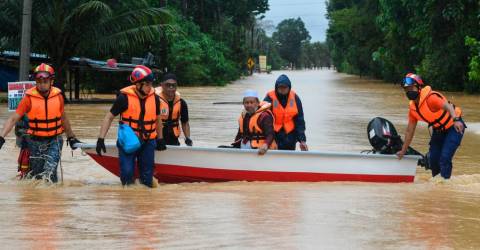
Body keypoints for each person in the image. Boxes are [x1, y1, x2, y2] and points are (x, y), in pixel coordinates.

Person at [0, 63, 81, 182]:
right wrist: (1, 137)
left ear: (51, 81)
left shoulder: (58, 96)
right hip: (34, 141)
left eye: (45, 81)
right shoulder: (28, 98)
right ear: (35, 81)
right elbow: (13, 119)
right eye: (38, 80)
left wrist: (71, 137)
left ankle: (51, 198)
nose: (42, 84)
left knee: (49, 172)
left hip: (55, 141)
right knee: (37, 177)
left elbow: (63, 118)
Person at [96, 65, 167, 188]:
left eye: (151, 84)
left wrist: (160, 139)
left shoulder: (154, 98)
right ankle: (127, 198)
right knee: (127, 173)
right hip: (129, 140)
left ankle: (144, 201)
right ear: (138, 84)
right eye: (147, 84)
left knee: (147, 177)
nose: (150, 87)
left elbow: (158, 119)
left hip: (148, 140)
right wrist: (101, 139)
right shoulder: (124, 98)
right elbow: (109, 117)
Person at [396, 73, 466, 179]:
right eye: (406, 90)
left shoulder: (431, 98)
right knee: (433, 160)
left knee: (445, 158)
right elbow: (410, 131)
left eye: (411, 88)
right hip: (438, 130)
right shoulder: (413, 109)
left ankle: (445, 184)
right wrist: (403, 150)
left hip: (454, 127)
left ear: (419, 87)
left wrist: (456, 119)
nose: (409, 92)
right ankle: (437, 186)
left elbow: (449, 106)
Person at [263, 74, 308, 151]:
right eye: (280, 87)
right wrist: (269, 140)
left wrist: (302, 140)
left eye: (285, 87)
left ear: (289, 87)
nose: (282, 89)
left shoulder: (295, 98)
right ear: (276, 87)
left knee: (289, 157)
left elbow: (300, 121)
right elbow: (261, 116)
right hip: (274, 135)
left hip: (290, 136)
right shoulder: (269, 97)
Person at [233, 90, 277, 155]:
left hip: (262, 149)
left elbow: (270, 134)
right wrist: (234, 147)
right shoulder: (244, 116)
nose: (249, 105)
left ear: (257, 103)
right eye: (246, 103)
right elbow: (240, 134)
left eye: (252, 102)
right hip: (246, 146)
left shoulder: (264, 116)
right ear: (243, 104)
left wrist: (265, 145)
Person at [155, 73, 192, 146]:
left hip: (173, 138)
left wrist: (188, 138)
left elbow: (185, 123)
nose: (171, 87)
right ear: (162, 85)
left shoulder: (182, 103)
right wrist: (159, 139)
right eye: (168, 85)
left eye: (173, 85)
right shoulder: (154, 101)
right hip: (156, 139)